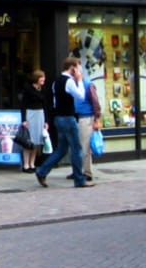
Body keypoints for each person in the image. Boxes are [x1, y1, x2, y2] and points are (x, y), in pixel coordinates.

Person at [34, 57, 94, 188]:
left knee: (61, 149)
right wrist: (79, 81)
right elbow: (81, 96)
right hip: (68, 118)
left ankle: (42, 171)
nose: (80, 70)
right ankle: (79, 179)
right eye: (78, 67)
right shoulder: (69, 81)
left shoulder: (56, 81)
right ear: (72, 68)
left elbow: (55, 101)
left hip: (58, 118)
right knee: (77, 149)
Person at [73, 73, 102, 182]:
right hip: (79, 117)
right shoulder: (75, 85)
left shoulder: (88, 85)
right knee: (80, 146)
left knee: (85, 147)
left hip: (86, 118)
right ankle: (80, 170)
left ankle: (87, 172)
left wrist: (96, 119)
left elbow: (95, 102)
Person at [19, 70, 47, 173]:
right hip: (30, 114)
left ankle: (32, 163)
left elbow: (45, 106)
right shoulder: (28, 89)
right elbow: (23, 105)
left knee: (37, 141)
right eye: (41, 77)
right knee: (28, 141)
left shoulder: (43, 89)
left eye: (44, 77)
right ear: (36, 79)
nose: (43, 79)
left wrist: (46, 121)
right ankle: (26, 164)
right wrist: (24, 120)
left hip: (40, 115)